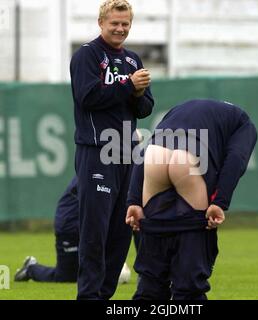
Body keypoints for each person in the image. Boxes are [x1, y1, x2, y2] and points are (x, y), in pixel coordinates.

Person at [126, 99, 258, 300]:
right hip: (187, 160)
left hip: (155, 157)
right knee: (189, 286)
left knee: (151, 285)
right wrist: (219, 202)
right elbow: (235, 159)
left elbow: (144, 152)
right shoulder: (243, 122)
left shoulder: (177, 109)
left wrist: (134, 201)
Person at [70, 0, 154, 299]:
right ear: (101, 22)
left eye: (125, 24)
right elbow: (87, 97)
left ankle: (104, 297)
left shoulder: (133, 60)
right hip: (97, 149)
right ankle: (89, 296)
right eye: (114, 23)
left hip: (127, 151)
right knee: (95, 231)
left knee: (122, 229)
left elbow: (144, 109)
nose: (120, 28)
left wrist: (138, 92)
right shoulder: (87, 55)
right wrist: (129, 86)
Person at [14, 177, 131, 284]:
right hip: (69, 226)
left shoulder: (112, 171)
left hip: (85, 224)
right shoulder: (95, 172)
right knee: (65, 277)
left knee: (88, 271)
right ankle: (31, 268)